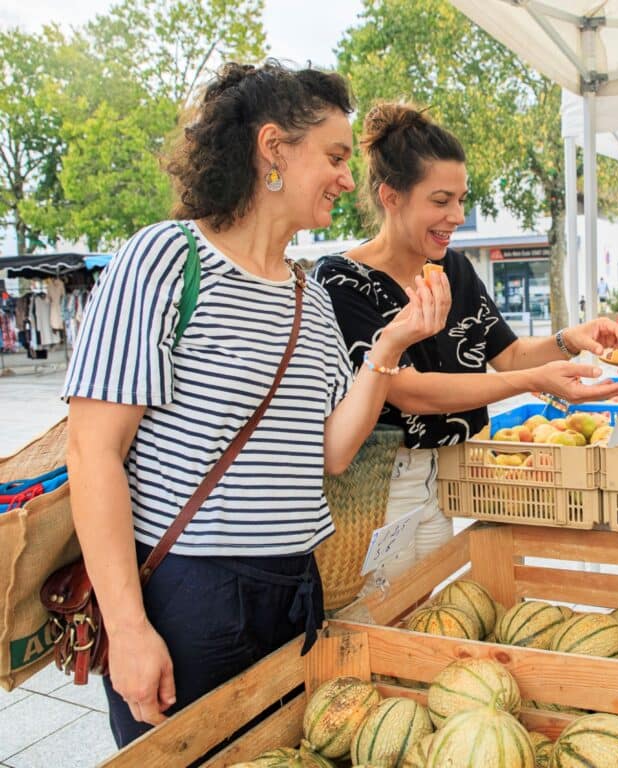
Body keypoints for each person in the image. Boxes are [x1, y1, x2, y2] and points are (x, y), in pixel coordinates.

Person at [62, 61, 450, 746]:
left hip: (296, 591)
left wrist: (390, 346)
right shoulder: (164, 260)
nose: (343, 176)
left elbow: (332, 452)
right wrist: (127, 630)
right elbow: (92, 452)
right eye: (332, 156)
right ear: (273, 149)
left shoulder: (311, 297)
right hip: (191, 599)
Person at [314, 102, 618, 577]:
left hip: (448, 475)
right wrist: (533, 380)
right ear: (390, 196)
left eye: (462, 199)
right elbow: (408, 391)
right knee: (380, 615)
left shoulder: (453, 267)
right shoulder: (342, 280)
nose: (457, 216)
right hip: (379, 484)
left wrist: (569, 339)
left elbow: (508, 354)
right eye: (441, 201)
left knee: (435, 607)